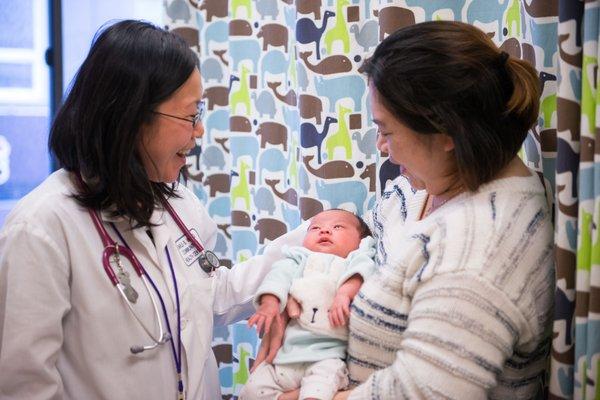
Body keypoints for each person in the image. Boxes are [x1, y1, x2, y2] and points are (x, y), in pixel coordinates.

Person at [0, 20, 303, 400]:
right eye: (191, 115)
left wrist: (311, 240)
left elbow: (210, 296)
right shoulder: (41, 228)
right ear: (132, 117)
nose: (199, 132)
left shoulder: (177, 204)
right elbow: (24, 386)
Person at [254, 21, 555, 400]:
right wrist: (300, 291)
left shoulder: (480, 247)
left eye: (387, 131)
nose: (381, 146)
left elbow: (424, 392)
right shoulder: (415, 191)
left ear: (445, 130)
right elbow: (368, 252)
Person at [239, 209, 375, 400]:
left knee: (319, 390)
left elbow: (363, 270)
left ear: (361, 241)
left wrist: (344, 293)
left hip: (326, 358)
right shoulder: (298, 258)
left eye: (337, 227)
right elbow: (278, 276)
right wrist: (269, 302)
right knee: (250, 391)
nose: (324, 231)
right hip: (284, 358)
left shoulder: (354, 259)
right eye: (316, 228)